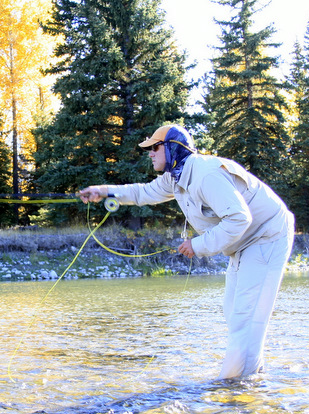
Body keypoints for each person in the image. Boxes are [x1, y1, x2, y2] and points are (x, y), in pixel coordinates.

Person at [79, 124, 295, 379]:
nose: (150, 153)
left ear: (173, 148)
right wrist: (103, 191)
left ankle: (236, 385)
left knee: (245, 316)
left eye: (155, 147)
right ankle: (249, 377)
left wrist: (197, 245)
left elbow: (239, 219)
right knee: (234, 312)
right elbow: (143, 192)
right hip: (244, 244)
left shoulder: (206, 174)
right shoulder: (176, 177)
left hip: (267, 236)